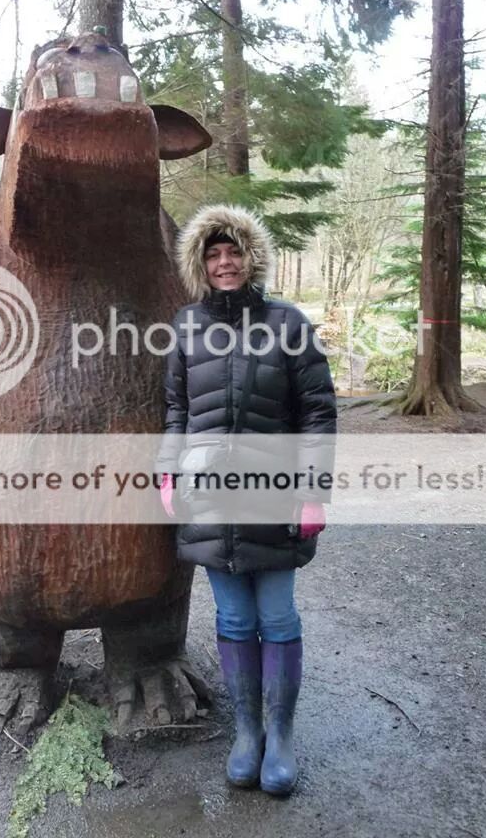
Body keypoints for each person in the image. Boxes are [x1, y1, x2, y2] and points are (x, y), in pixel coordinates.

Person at [156, 204, 336, 796]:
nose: (225, 263)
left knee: (277, 615)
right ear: (201, 265)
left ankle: (280, 738)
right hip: (207, 496)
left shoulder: (288, 323)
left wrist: (313, 492)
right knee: (233, 617)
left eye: (233, 252)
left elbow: (317, 412)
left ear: (251, 258)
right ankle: (247, 735)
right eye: (214, 254)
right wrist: (166, 474)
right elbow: (177, 410)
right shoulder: (184, 326)